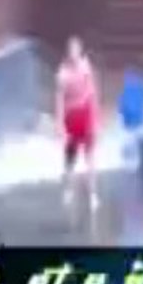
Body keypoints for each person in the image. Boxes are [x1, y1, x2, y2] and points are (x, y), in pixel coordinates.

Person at [56, 36, 100, 211]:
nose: (74, 54)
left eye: (76, 50)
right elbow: (59, 99)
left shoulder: (85, 67)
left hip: (85, 113)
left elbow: (92, 92)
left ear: (80, 51)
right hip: (72, 115)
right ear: (68, 53)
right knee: (70, 159)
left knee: (90, 158)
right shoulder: (63, 73)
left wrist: (95, 119)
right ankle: (68, 190)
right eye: (71, 51)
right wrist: (60, 124)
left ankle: (93, 194)